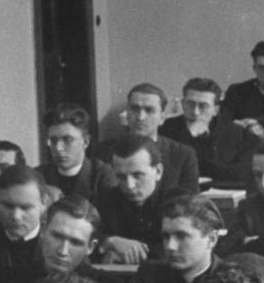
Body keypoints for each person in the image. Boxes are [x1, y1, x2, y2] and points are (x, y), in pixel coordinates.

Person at [160, 77, 256, 186]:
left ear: (216, 110)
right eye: (190, 104)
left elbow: (242, 173)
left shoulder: (238, 134)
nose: (196, 112)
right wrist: (188, 136)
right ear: (182, 103)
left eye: (203, 106)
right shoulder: (165, 130)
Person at [108, 82, 200, 195]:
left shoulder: (182, 155)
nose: (141, 117)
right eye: (135, 109)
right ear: (127, 114)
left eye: (149, 110)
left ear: (162, 118)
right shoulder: (105, 151)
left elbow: (190, 205)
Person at [93, 135, 172, 263]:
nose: (129, 186)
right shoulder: (104, 201)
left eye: (137, 175)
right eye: (121, 177)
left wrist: (123, 256)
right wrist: (109, 242)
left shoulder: (176, 202)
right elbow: (84, 239)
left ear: (158, 171)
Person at [36, 103, 116, 201]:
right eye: (53, 140)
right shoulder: (38, 176)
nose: (59, 148)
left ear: (86, 142)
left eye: (67, 140)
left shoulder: (102, 176)